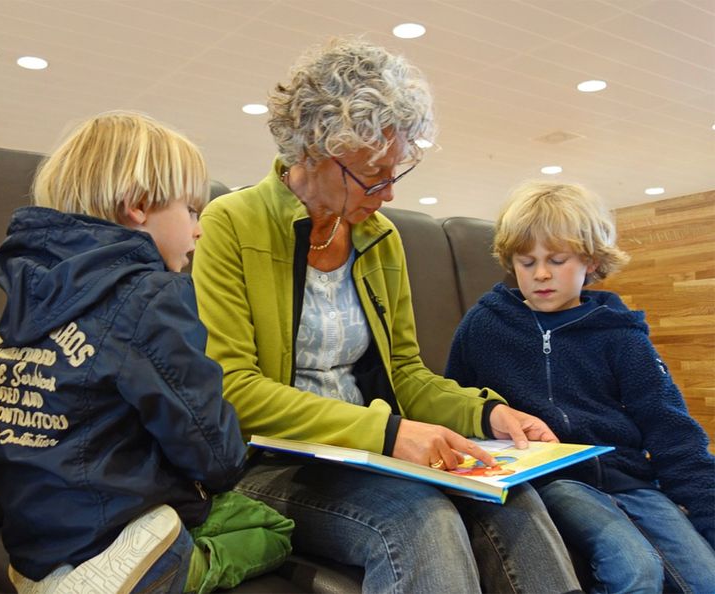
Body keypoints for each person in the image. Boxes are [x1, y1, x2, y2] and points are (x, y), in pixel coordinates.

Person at [191, 37, 581, 594]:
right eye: (372, 173)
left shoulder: (380, 237)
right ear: (314, 150)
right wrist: (389, 432)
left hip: (373, 452)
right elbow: (234, 390)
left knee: (516, 502)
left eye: (395, 170)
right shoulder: (232, 223)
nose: (388, 191)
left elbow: (406, 372)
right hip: (272, 464)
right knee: (422, 520)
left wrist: (486, 414)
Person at [0, 111, 293, 594]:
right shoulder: (150, 294)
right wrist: (228, 468)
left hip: (32, 533)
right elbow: (204, 438)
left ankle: (51, 577)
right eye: (191, 210)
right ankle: (169, 563)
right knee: (270, 528)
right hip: (113, 522)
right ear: (139, 206)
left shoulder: (29, 285)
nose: (199, 230)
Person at [446, 180, 715, 593]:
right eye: (525, 261)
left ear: (590, 262)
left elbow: (671, 429)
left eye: (556, 260)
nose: (539, 274)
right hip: (555, 479)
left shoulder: (621, 335)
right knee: (635, 568)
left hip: (631, 481)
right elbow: (453, 402)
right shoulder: (484, 326)